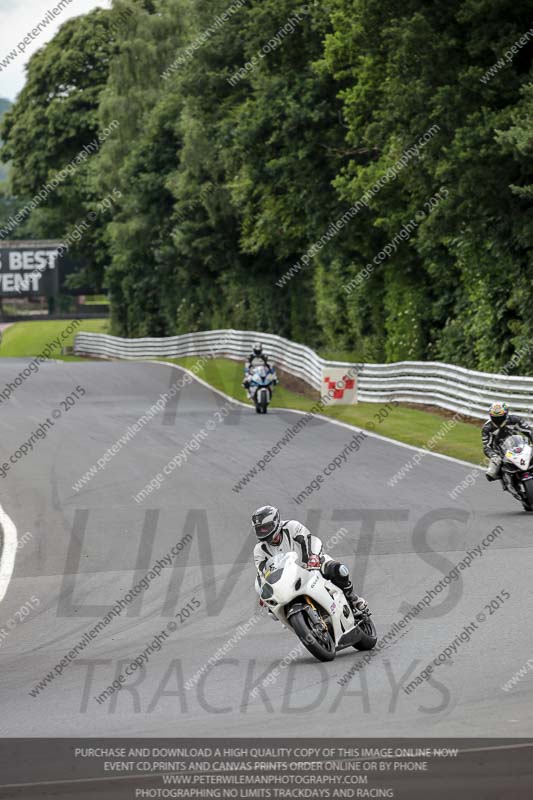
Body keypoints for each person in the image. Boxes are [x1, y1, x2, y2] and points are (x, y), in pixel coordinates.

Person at [252, 505, 367, 618]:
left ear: (275, 522)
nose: (263, 531)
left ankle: (353, 599)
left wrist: (313, 557)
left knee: (339, 570)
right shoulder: (259, 550)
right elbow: (262, 573)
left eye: (265, 527)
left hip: (311, 565)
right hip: (287, 581)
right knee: (273, 612)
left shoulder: (292, 527)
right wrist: (263, 593)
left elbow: (310, 540)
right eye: (259, 529)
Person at [482, 402, 533, 483]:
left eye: (500, 417)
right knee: (491, 474)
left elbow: (529, 431)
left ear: (506, 414)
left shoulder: (515, 419)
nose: (498, 420)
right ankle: (504, 477)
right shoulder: (487, 428)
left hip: (518, 444)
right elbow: (486, 446)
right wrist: (493, 455)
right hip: (500, 451)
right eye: (495, 417)